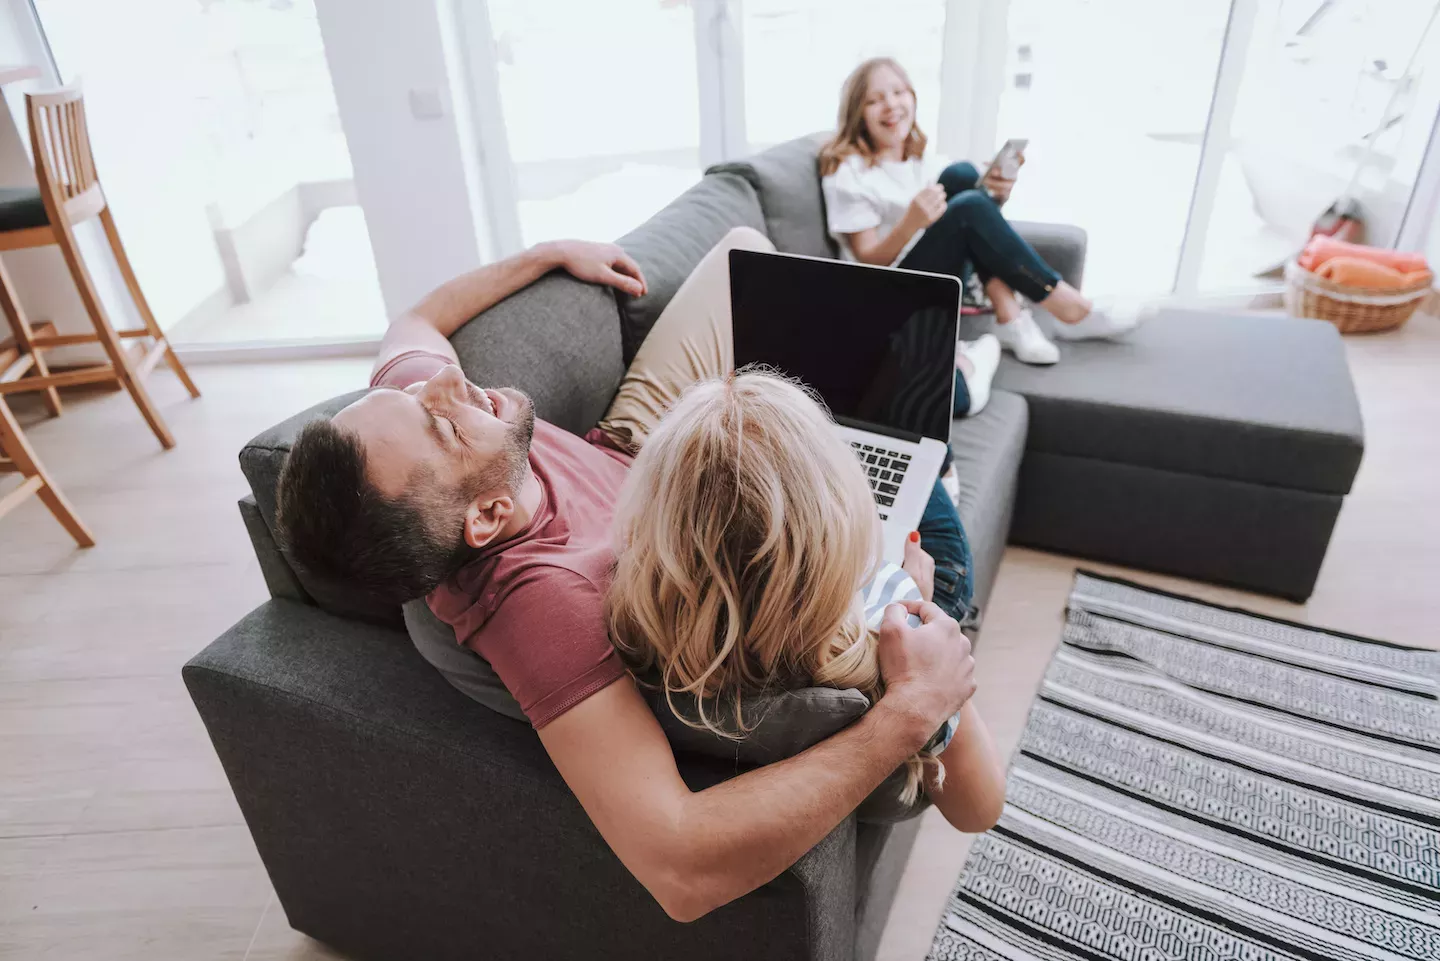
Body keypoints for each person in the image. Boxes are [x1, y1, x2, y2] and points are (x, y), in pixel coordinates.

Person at [273, 232, 980, 923]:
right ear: (487, 518)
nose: (450, 383)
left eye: (421, 394)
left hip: (633, 435)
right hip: (687, 497)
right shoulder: (541, 608)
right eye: (443, 425)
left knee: (743, 248)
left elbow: (414, 323)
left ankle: (928, 411)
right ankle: (940, 405)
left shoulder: (416, 433)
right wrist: (908, 714)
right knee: (910, 492)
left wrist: (545, 254)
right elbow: (678, 865)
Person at [608, 370, 1006, 830]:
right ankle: (957, 410)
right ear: (839, 522)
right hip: (901, 598)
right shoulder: (890, 623)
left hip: (817, 582)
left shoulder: (635, 627)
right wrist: (914, 597)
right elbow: (981, 810)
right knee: (922, 455)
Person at [820, 57, 1150, 367]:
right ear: (857, 113)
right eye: (875, 99)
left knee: (963, 175)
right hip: (886, 300)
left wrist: (998, 194)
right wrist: (910, 224)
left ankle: (1010, 314)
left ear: (913, 97)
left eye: (898, 92)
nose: (891, 105)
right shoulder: (848, 171)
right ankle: (1068, 307)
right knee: (969, 206)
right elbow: (866, 262)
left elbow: (978, 232)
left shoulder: (922, 160)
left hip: (933, 277)